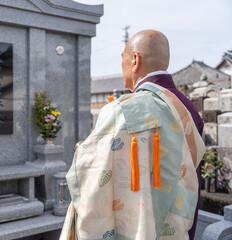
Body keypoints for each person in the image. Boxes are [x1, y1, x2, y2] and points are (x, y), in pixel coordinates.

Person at [60, 30, 205, 240]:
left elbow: (90, 172)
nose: (122, 67)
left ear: (134, 60)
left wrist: (83, 149)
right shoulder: (187, 107)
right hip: (177, 226)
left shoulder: (121, 110)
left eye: (123, 59)